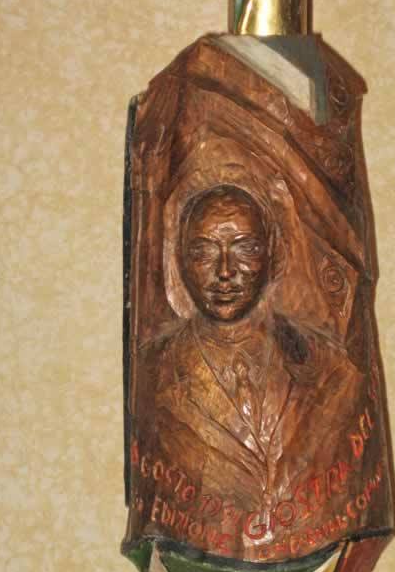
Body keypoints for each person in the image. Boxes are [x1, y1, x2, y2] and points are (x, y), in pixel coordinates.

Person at [133, 184, 364, 552]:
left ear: (272, 254)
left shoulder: (330, 369)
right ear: (179, 260)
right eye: (203, 252)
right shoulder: (151, 372)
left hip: (311, 552)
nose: (225, 271)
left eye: (246, 248)